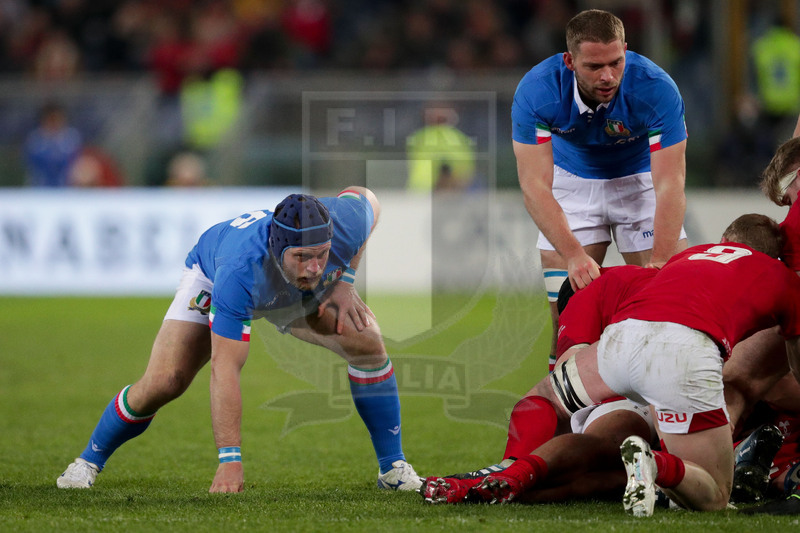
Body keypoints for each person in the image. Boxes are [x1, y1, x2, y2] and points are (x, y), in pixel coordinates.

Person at [57, 188, 423, 493]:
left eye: (322, 255)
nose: (315, 266)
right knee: (167, 380)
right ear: (278, 246)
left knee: (369, 344)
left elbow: (368, 199)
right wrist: (229, 460)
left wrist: (345, 281)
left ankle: (392, 469)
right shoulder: (237, 270)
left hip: (292, 293)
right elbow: (226, 368)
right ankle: (87, 461)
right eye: (303, 257)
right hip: (213, 278)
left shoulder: (342, 226)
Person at [471, 213, 800, 516]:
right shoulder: (777, 280)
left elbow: (564, 368)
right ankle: (664, 467)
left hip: (620, 353)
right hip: (678, 368)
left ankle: (511, 473)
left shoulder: (679, 264)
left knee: (576, 428)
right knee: (711, 490)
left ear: (724, 241)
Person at [511, 9, 688, 370]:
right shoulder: (537, 90)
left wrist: (662, 261)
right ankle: (565, 419)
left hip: (639, 182)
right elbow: (534, 186)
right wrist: (574, 254)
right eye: (594, 67)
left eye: (616, 62)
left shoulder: (656, 88)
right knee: (567, 322)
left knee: (671, 311)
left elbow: (670, 184)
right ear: (569, 61)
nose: (608, 76)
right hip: (571, 183)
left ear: (625, 49)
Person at [421, 265, 658, 504]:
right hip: (684, 377)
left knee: (565, 413)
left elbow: (564, 383)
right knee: (628, 468)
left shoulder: (584, 292)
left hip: (650, 370)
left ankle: (510, 470)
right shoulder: (660, 276)